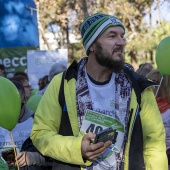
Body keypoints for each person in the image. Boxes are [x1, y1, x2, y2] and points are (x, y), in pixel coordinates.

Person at [31, 13, 167, 170]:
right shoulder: (63, 83)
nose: (121, 42)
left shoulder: (138, 86)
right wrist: (77, 149)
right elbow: (40, 134)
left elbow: (154, 144)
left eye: (122, 36)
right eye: (112, 36)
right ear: (92, 46)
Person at [0, 80, 51, 170]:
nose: (12, 109)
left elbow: (48, 157)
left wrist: (31, 158)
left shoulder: (37, 123)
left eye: (17, 105)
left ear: (25, 100)